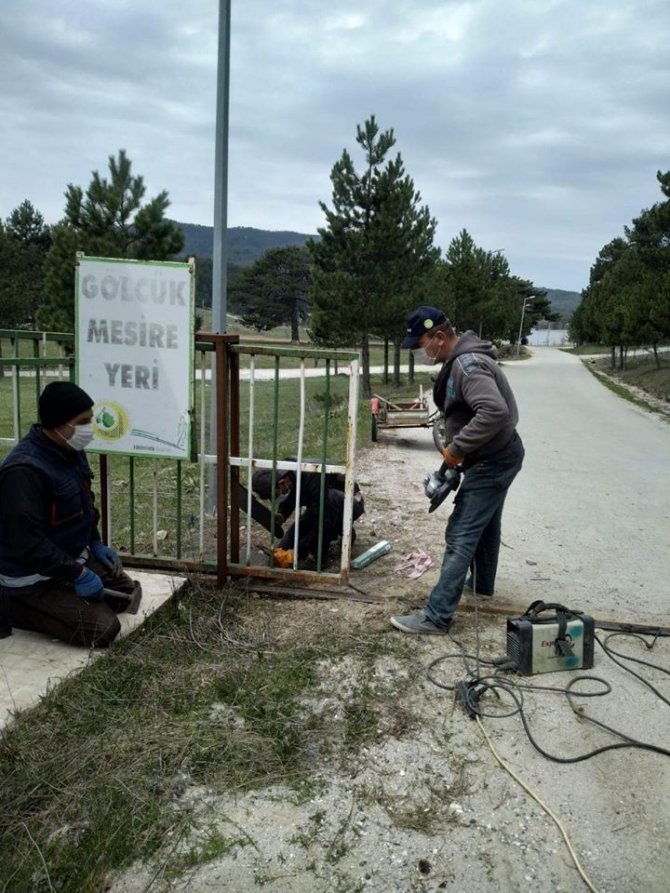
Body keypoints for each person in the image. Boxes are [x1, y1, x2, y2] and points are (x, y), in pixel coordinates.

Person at [391, 306, 524, 634]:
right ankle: (481, 584)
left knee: (461, 532)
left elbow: (494, 412)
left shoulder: (467, 364)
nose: (422, 351)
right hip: (499, 454)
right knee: (487, 522)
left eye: (422, 344)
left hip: (493, 459)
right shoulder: (462, 360)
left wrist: (455, 448)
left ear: (439, 336)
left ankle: (436, 617)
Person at [0, 382, 141, 647]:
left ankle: (64, 596)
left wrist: (95, 542)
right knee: (103, 629)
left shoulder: (71, 451)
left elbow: (85, 503)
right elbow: (29, 545)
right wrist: (77, 574)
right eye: (83, 421)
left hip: (68, 559)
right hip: (32, 578)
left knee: (125, 591)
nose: (89, 427)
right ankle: (13, 606)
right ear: (58, 424)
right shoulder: (23, 472)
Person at [252, 463, 364, 568]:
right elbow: (291, 496)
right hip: (319, 506)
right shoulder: (285, 471)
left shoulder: (314, 476)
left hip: (349, 503)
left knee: (329, 503)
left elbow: (324, 523)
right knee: (285, 546)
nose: (273, 500)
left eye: (274, 496)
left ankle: (323, 554)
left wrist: (299, 550)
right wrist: (282, 514)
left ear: (281, 483)